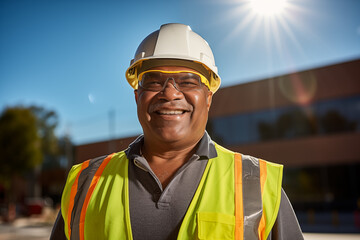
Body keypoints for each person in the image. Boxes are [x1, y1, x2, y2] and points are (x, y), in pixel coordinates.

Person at [51, 23, 304, 240]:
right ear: (137, 96)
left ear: (208, 98)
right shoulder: (84, 183)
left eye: (188, 81)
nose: (170, 93)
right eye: (153, 80)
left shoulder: (256, 184)